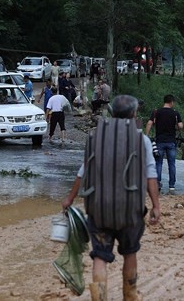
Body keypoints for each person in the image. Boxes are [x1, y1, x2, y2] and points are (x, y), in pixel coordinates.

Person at [62, 94, 160, 300]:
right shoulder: (141, 139)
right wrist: (155, 206)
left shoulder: (96, 138)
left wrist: (70, 199)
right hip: (130, 210)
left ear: (112, 113)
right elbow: (150, 174)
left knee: (100, 256)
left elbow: (84, 170)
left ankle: (99, 298)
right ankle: (130, 296)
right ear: (133, 114)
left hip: (99, 209)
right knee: (130, 253)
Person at [145, 94, 183, 193]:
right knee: (172, 164)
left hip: (159, 141)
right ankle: (171, 186)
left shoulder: (157, 112)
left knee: (158, 163)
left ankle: (157, 183)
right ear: (172, 102)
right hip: (171, 142)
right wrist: (174, 126)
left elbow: (149, 123)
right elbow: (180, 126)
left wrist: (147, 135)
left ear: (164, 101)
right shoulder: (175, 113)